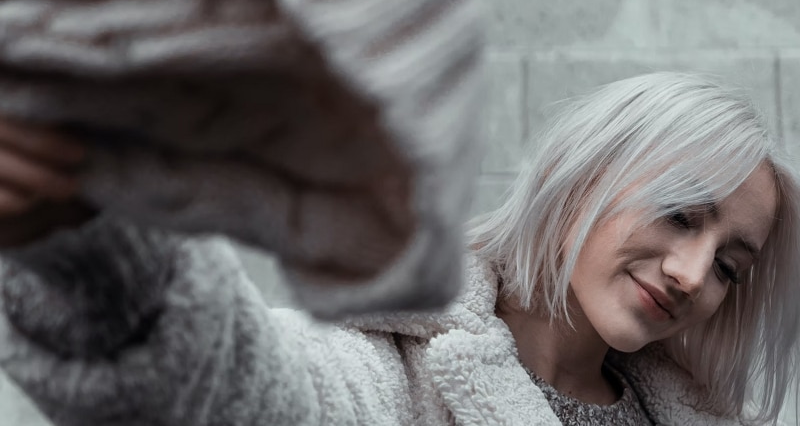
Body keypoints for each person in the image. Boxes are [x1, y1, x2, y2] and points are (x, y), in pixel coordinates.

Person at [0, 71, 798, 425]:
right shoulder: (396, 370)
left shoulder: (688, 415)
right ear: (586, 178)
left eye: (731, 263)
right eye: (679, 217)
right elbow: (235, 381)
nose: (694, 273)